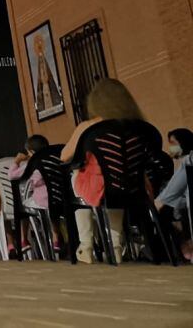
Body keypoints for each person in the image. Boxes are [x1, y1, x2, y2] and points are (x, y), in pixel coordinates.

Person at [60, 78, 145, 264]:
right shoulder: (139, 125)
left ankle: (86, 245)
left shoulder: (90, 126)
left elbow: (64, 156)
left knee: (76, 176)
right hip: (135, 185)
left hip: (99, 187)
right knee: (117, 187)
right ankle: (115, 245)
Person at [9, 134, 58, 257]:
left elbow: (12, 175)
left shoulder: (31, 163)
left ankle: (23, 238)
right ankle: (56, 236)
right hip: (59, 199)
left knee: (23, 205)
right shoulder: (54, 159)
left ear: (30, 152)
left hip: (42, 201)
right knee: (52, 209)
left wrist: (17, 161)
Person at [154, 127, 193, 262]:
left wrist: (158, 203)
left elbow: (172, 191)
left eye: (173, 143)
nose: (171, 147)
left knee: (162, 214)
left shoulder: (188, 161)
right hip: (184, 204)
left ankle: (180, 250)